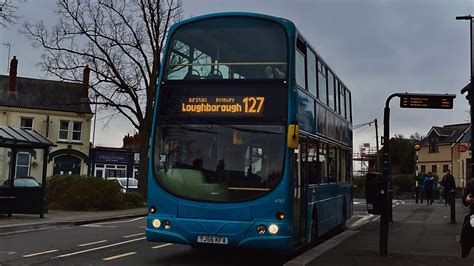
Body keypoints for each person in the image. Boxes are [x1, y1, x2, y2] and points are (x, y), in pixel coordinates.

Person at [460, 178, 474, 257]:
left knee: (466, 235)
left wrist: (470, 200)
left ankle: (465, 249)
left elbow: (465, 202)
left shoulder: (471, 183)